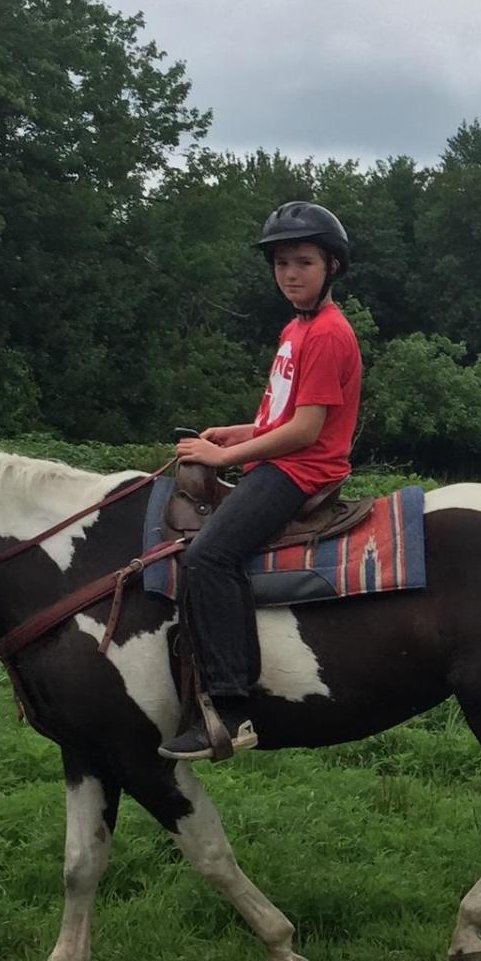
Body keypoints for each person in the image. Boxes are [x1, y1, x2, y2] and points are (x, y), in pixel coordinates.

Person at [161, 201, 364, 760]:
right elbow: (282, 416)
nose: (290, 274)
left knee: (208, 557)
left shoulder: (326, 333)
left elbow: (304, 431)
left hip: (300, 471)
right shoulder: (296, 328)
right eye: (280, 263)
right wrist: (236, 432)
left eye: (303, 261)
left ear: (332, 267)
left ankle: (231, 708)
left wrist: (222, 458)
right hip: (281, 458)